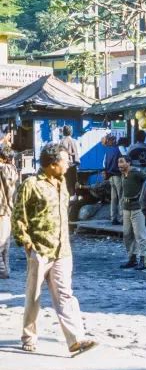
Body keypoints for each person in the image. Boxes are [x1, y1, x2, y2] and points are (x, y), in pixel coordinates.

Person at [12, 143, 98, 356]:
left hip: (62, 250)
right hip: (39, 249)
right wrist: (26, 242)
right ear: (52, 164)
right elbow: (18, 217)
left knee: (65, 295)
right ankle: (28, 336)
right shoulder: (30, 185)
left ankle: (76, 339)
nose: (68, 165)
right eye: (65, 161)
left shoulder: (62, 184)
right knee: (34, 295)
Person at [118, 155, 146, 270]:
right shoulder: (123, 175)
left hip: (137, 208)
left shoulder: (137, 173)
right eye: (119, 162)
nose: (119, 165)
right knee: (127, 235)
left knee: (140, 235)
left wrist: (143, 194)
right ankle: (132, 258)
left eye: (122, 162)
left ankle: (143, 259)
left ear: (129, 163)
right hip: (126, 208)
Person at [0, 147, 17, 279]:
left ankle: (4, 269)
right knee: (4, 241)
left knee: (3, 240)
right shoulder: (7, 169)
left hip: (3, 209)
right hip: (4, 209)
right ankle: (4, 269)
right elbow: (10, 191)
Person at [103, 135, 123, 225]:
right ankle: (122, 217)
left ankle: (113, 218)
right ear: (114, 141)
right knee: (121, 197)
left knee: (114, 198)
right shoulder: (118, 151)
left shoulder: (108, 152)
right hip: (118, 176)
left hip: (110, 177)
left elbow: (104, 164)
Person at [60, 125, 80, 196]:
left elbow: (61, 153)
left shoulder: (62, 141)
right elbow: (77, 153)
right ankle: (75, 196)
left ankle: (67, 197)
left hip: (65, 164)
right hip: (74, 164)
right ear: (71, 132)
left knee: (66, 182)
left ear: (64, 132)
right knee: (74, 181)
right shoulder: (75, 141)